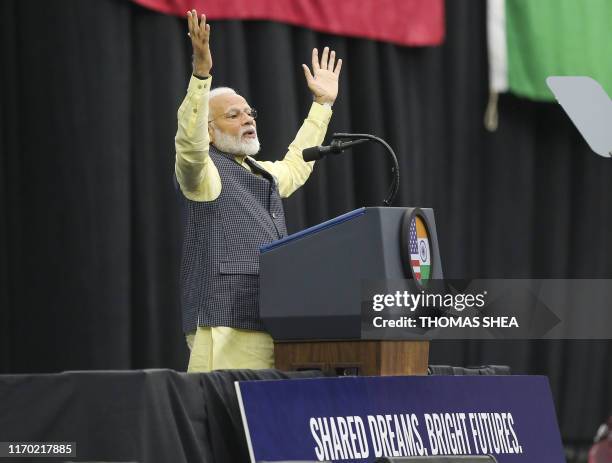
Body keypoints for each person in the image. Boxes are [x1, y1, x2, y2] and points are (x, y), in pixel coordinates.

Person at [174, 10, 343, 372]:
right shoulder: (204, 174)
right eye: (232, 115)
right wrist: (200, 77)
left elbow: (297, 165)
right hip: (224, 326)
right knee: (225, 424)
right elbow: (189, 149)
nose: (248, 118)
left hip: (270, 321)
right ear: (208, 129)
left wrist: (322, 105)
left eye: (248, 112)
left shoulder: (259, 172)